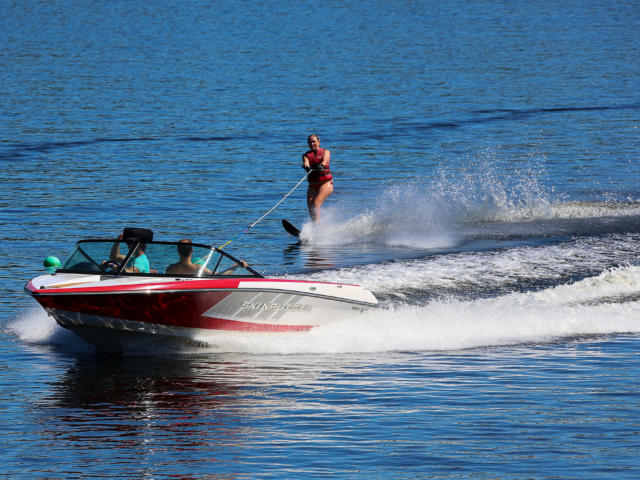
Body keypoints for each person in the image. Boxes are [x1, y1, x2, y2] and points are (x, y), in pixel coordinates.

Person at [166, 239, 249, 276]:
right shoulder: (198, 268)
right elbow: (220, 276)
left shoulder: (170, 269)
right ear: (192, 250)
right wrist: (234, 267)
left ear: (178, 251)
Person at [302, 134, 333, 221]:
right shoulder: (305, 155)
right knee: (310, 206)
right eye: (310, 142)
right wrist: (306, 166)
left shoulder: (325, 152)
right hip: (312, 185)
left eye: (314, 141)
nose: (312, 144)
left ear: (319, 142)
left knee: (315, 204)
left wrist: (322, 165)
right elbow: (306, 162)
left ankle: (317, 228)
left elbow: (325, 160)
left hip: (326, 184)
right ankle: (315, 227)